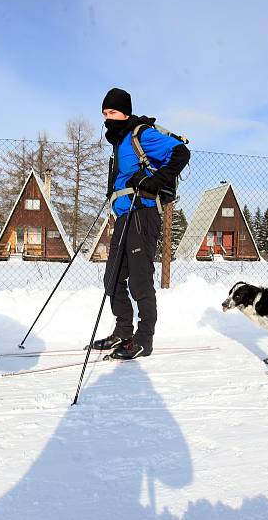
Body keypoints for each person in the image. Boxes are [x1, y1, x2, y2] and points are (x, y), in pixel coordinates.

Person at [93, 88, 190, 360]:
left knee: (139, 280)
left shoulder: (141, 134)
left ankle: (144, 339)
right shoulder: (120, 141)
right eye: (104, 113)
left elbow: (181, 153)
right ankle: (123, 331)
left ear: (125, 111)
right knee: (112, 277)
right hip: (124, 215)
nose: (107, 118)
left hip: (143, 213)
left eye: (111, 112)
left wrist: (155, 182)